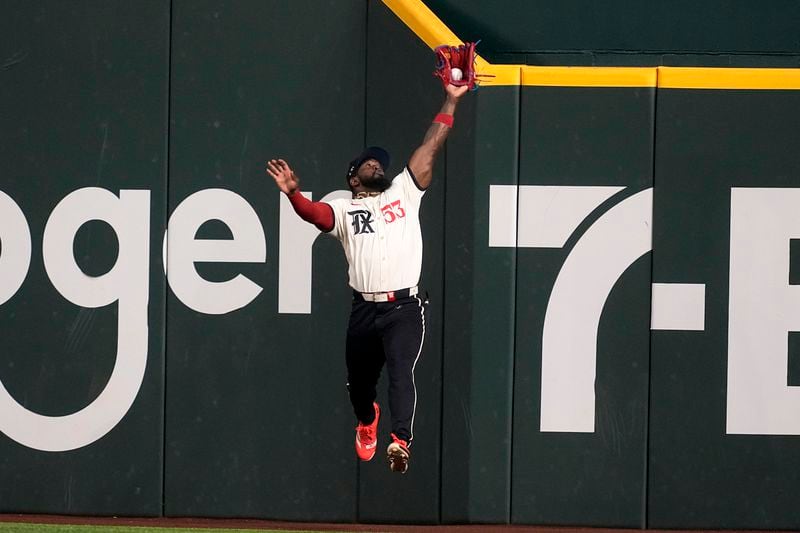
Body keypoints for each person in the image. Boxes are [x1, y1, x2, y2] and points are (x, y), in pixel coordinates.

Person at [266, 82, 469, 473]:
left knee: (400, 371)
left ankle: (400, 441)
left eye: (379, 163)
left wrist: (451, 100)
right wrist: (293, 194)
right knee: (359, 387)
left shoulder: (404, 193)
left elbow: (429, 148)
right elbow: (316, 216)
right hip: (364, 310)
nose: (378, 165)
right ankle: (367, 420)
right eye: (368, 164)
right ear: (354, 179)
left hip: (405, 308)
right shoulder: (343, 208)